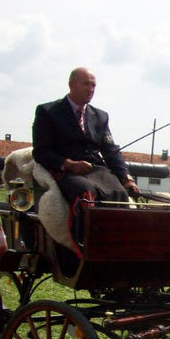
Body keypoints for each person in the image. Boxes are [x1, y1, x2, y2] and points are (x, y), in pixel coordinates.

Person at [32, 67, 140, 249]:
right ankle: (84, 246)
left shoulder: (100, 116)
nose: (90, 89)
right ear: (71, 84)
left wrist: (127, 179)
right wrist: (69, 164)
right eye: (86, 84)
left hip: (95, 169)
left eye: (93, 85)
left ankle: (115, 246)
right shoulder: (48, 112)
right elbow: (41, 151)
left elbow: (111, 151)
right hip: (64, 169)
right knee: (86, 193)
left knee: (119, 193)